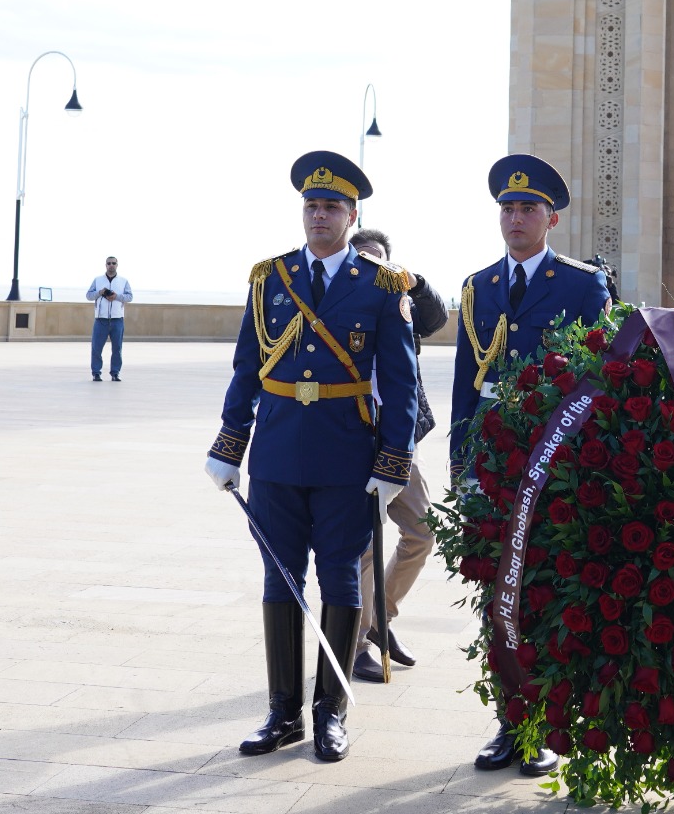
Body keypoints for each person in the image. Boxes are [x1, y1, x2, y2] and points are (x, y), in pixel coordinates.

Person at [202, 151, 418, 764]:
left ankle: (332, 711)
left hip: (346, 454)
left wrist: (392, 463)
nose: (320, 215)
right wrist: (229, 441)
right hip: (275, 453)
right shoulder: (270, 278)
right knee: (279, 578)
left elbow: (401, 384)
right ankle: (281, 713)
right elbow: (248, 364)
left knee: (341, 579)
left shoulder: (381, 286)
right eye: (312, 205)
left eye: (332, 207)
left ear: (353, 217)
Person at [452, 153, 612, 777]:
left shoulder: (581, 285)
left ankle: (547, 724)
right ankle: (508, 722)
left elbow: (598, 379)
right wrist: (465, 466)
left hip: (556, 456)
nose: (516, 219)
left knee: (547, 591)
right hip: (495, 458)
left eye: (528, 209)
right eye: (508, 209)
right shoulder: (478, 287)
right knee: (498, 591)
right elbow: (468, 386)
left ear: (552, 219)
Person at [349, 227, 445, 683]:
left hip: (400, 438)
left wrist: (414, 282)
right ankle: (358, 641)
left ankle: (382, 619)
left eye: (379, 258)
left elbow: (435, 319)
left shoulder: (401, 299)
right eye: (363, 257)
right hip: (354, 436)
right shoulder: (339, 298)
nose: (371, 265)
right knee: (365, 544)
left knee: (422, 532)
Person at [87, 256, 134, 381]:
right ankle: (96, 373)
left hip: (117, 319)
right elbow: (89, 296)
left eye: (114, 263)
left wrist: (116, 296)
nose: (111, 265)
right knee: (96, 348)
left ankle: (115, 373)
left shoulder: (123, 281)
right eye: (109, 263)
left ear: (117, 265)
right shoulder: (98, 280)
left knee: (117, 348)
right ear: (105, 265)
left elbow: (129, 297)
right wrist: (100, 293)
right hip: (100, 319)